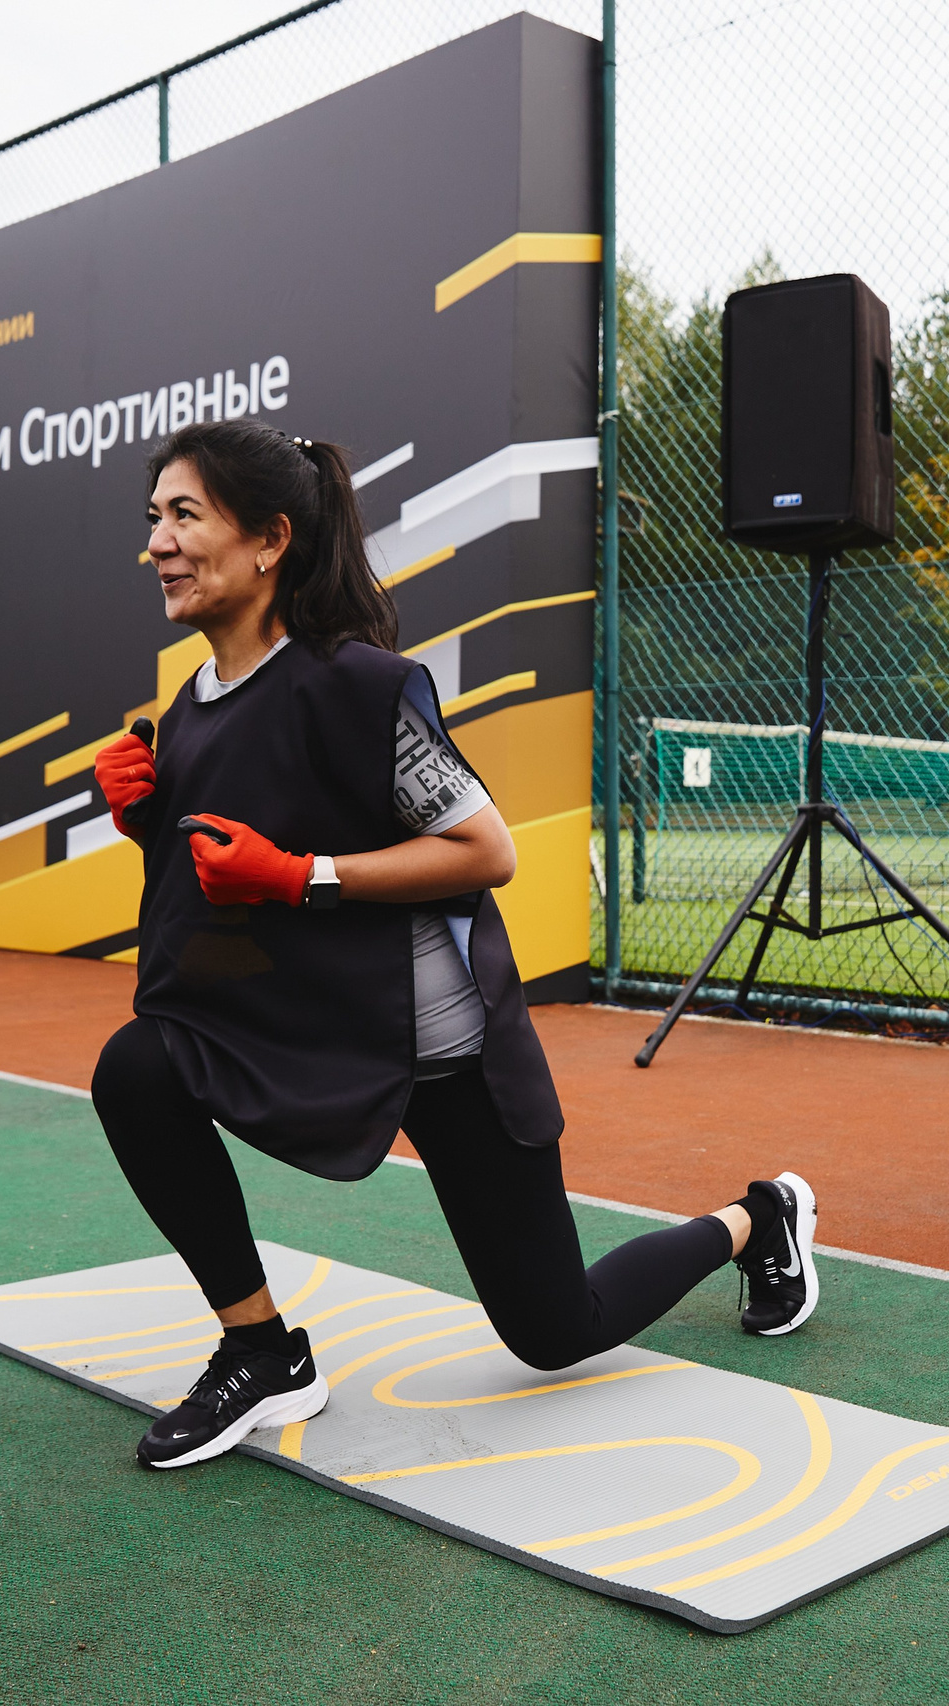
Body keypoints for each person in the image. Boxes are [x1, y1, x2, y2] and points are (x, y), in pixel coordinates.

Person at [89, 420, 822, 1471]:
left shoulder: (361, 684)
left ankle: (759, 1218)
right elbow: (217, 887)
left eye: (183, 515)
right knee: (138, 1068)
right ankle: (260, 1349)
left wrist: (305, 875)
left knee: (554, 1328)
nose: (156, 540)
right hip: (308, 1020)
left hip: (440, 1043)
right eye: (152, 517)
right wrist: (147, 820)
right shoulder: (188, 709)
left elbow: (485, 849)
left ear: (267, 542)